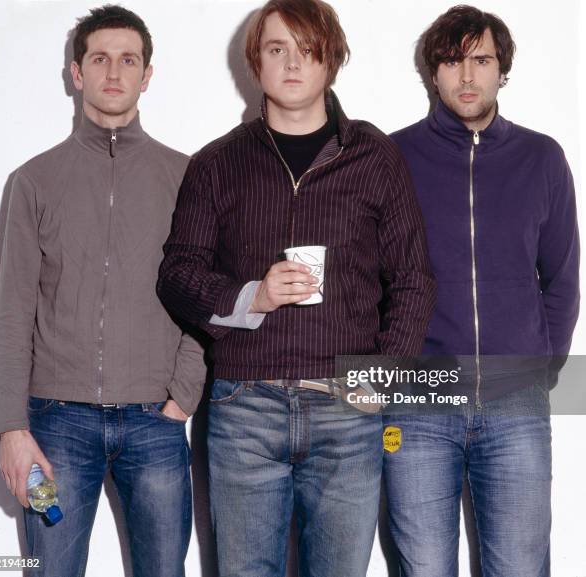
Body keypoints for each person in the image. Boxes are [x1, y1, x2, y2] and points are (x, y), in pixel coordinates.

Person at [156, 1, 435, 575]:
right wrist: (250, 296)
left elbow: (413, 278)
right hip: (243, 407)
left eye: (306, 49)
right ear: (255, 62)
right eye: (276, 48)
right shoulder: (217, 163)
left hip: (346, 407)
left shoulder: (374, 156)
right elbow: (178, 273)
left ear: (330, 60)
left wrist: (379, 376)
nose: (291, 63)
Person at [0, 6, 206, 577]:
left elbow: (206, 297)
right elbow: (11, 313)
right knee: (49, 568)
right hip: (54, 429)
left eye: (128, 60)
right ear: (77, 72)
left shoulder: (187, 178)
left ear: (147, 75)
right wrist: (11, 430)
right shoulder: (33, 181)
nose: (114, 72)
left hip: (156, 427)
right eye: (100, 58)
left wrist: (183, 394)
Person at [384, 5, 580, 577]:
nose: (467, 76)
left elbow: (562, 278)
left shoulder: (541, 158)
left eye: (481, 60)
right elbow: (370, 280)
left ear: (502, 70)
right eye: (452, 61)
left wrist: (539, 368)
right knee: (421, 568)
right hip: (417, 397)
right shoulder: (393, 157)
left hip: (515, 398)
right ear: (433, 73)